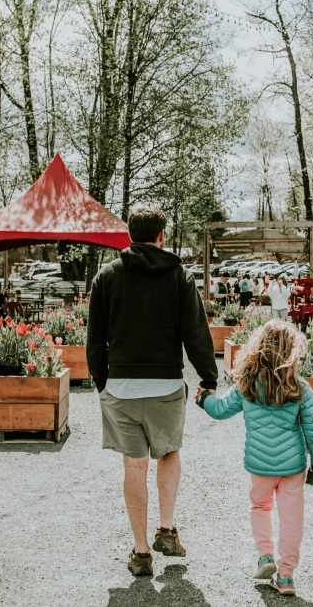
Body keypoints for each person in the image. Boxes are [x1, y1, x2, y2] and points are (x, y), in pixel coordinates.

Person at [86, 206, 218, 577]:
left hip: (121, 387)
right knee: (169, 453)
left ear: (130, 235)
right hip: (166, 385)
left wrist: (101, 382)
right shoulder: (178, 275)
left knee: (134, 464)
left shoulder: (106, 276)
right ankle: (167, 530)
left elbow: (94, 339)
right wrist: (208, 377)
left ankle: (141, 551)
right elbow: (195, 332)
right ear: (162, 235)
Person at [195, 320, 313, 595]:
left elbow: (220, 409)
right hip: (292, 466)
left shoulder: (247, 385)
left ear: (258, 348)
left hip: (260, 464)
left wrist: (203, 398)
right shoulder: (300, 388)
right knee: (292, 519)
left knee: (260, 506)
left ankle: (265, 556)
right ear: (292, 351)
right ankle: (286, 576)